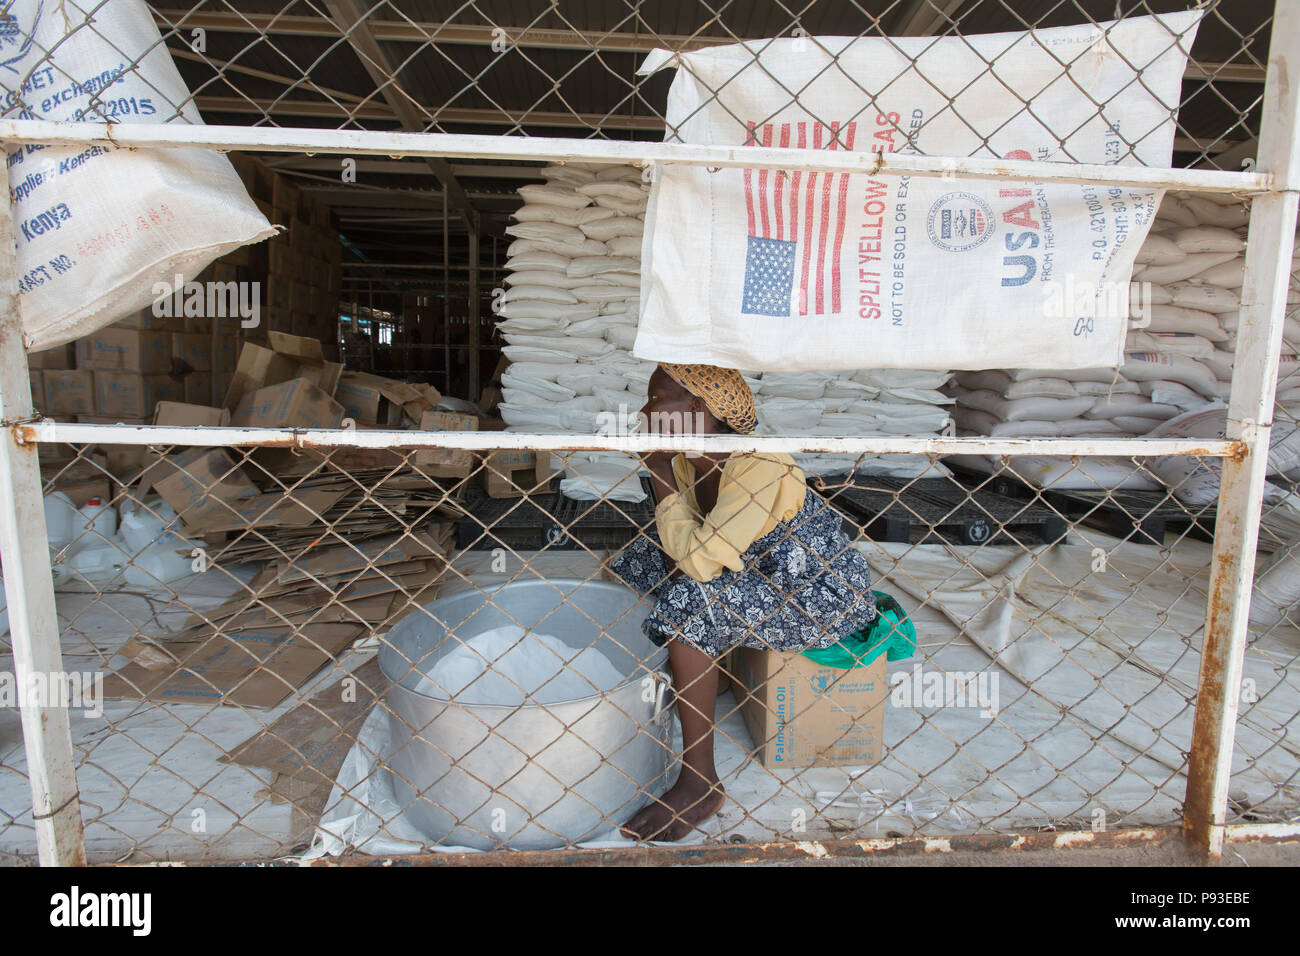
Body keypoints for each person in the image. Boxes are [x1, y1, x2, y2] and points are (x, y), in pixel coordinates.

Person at [610, 362, 878, 841]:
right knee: (637, 561)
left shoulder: (761, 464)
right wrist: (664, 475)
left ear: (696, 408)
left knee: (692, 603)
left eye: (655, 398)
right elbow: (687, 550)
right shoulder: (686, 459)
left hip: (815, 592)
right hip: (754, 571)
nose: (643, 411)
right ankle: (707, 667)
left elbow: (697, 565)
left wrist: (657, 475)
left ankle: (700, 783)